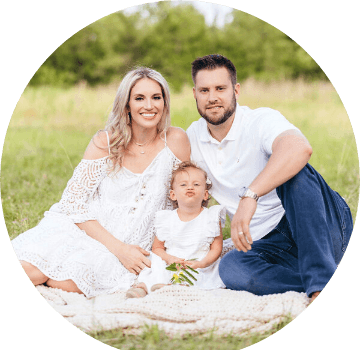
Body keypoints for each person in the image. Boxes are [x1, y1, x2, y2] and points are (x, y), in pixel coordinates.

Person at [11, 67, 190, 298]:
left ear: (165, 102)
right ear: (126, 105)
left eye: (157, 97)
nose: (149, 106)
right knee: (30, 269)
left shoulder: (176, 141)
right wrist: (119, 249)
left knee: (69, 281)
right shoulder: (106, 141)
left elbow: (184, 200)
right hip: (87, 231)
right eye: (139, 98)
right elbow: (72, 204)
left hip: (136, 247)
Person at [186, 54, 353, 301]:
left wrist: (250, 196)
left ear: (236, 90)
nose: (212, 98)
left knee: (294, 172)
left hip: (321, 224)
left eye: (220, 88)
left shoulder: (260, 119)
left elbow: (299, 148)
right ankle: (316, 279)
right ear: (195, 94)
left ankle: (319, 285)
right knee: (231, 268)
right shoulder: (193, 136)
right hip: (270, 244)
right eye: (204, 90)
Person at [126, 161, 226, 298]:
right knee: (157, 265)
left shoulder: (211, 217)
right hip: (172, 262)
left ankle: (172, 287)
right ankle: (143, 287)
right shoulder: (166, 219)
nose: (190, 187)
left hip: (198, 263)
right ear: (173, 195)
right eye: (183, 185)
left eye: (196, 184)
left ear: (205, 194)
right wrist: (169, 258)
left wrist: (203, 263)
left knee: (197, 275)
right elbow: (157, 248)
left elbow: (216, 248)